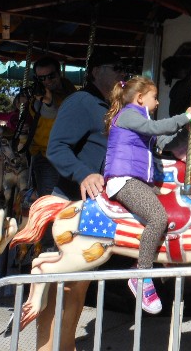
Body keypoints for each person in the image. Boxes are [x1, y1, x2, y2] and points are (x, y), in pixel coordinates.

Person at [38, 49, 126, 351]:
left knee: (80, 285)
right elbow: (57, 147)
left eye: (123, 68)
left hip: (95, 205)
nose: (121, 73)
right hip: (71, 200)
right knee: (59, 283)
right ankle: (46, 346)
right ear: (95, 72)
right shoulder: (81, 102)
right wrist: (84, 173)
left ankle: (65, 345)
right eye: (115, 67)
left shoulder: (111, 107)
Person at [103, 76, 191, 314]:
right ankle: (141, 274)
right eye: (154, 98)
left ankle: (164, 255)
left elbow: (162, 140)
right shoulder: (128, 115)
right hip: (123, 180)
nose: (157, 103)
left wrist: (186, 129)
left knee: (175, 201)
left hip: (137, 180)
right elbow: (155, 129)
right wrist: (186, 116)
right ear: (139, 98)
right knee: (158, 217)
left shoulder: (141, 120)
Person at [25, 56, 78, 197]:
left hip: (70, 154)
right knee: (51, 201)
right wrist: (47, 102)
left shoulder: (71, 92)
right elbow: (48, 111)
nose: (47, 81)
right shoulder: (38, 97)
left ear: (59, 73)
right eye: (42, 78)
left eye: (51, 76)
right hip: (46, 155)